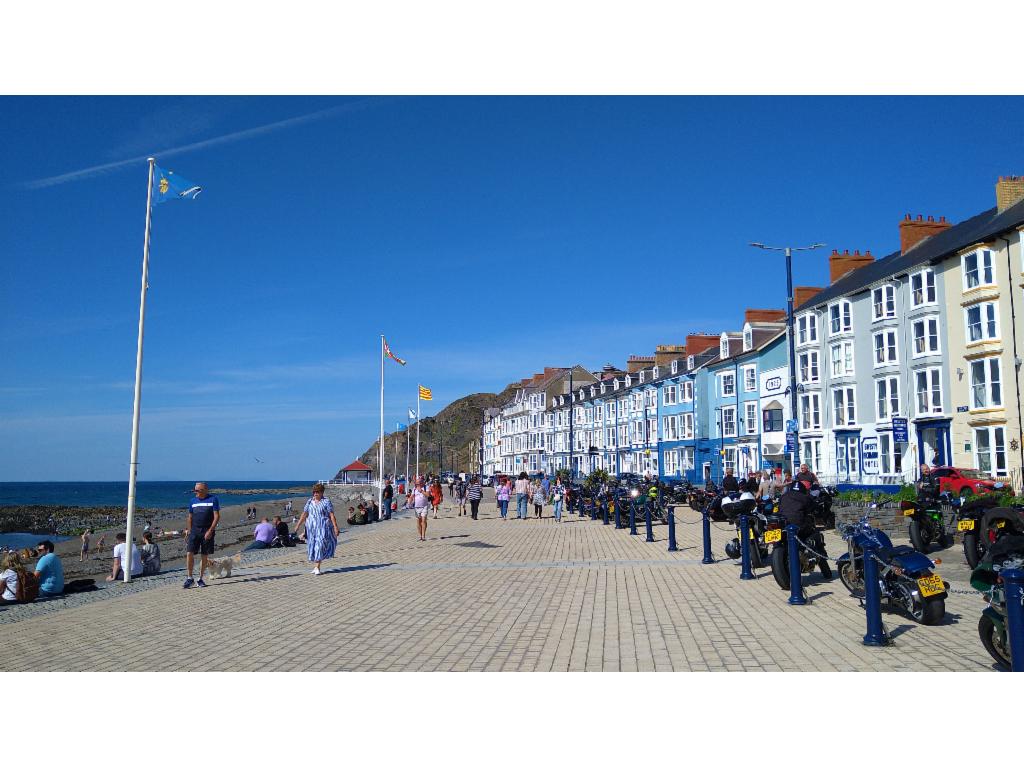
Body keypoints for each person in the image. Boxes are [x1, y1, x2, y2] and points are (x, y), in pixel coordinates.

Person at [292, 483, 339, 576]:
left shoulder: (326, 502)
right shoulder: (309, 501)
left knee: (320, 545)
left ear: (322, 492)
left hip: (323, 527)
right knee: (313, 546)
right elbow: (304, 514)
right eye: (314, 492)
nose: (315, 494)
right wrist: (298, 525)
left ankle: (317, 566)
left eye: (317, 492)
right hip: (311, 528)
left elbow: (331, 515)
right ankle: (316, 566)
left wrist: (335, 527)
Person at [183, 481, 220, 589]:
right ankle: (190, 578)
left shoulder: (213, 499)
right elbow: (190, 517)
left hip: (207, 530)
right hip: (194, 531)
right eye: (195, 490)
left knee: (204, 555)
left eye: (197, 490)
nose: (195, 492)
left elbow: (217, 516)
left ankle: (200, 578)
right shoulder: (192, 501)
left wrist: (211, 530)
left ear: (204, 490)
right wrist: (189, 531)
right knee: (189, 553)